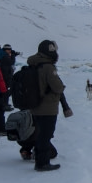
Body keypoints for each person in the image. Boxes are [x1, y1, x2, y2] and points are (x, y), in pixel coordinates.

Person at [27, 40, 64, 171]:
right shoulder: (48, 67)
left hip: (35, 105)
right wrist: (61, 85)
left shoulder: (33, 64)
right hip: (47, 107)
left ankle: (38, 159)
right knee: (46, 135)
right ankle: (42, 163)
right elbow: (57, 87)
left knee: (40, 133)